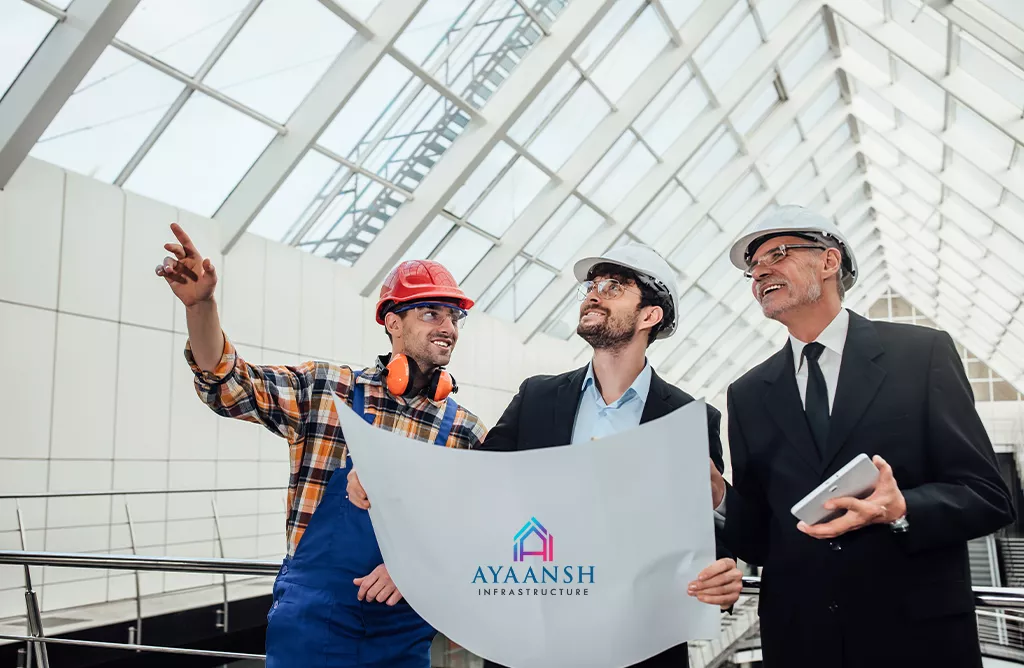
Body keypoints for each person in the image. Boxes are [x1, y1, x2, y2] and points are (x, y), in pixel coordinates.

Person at [155, 223, 487, 668]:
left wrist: (417, 571)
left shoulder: (463, 431)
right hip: (313, 625)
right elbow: (231, 387)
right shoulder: (326, 392)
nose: (447, 327)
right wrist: (202, 306)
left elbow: (480, 530)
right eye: (431, 313)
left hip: (403, 631)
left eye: (453, 317)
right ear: (392, 322)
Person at [714, 205, 1015, 668]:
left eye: (777, 254)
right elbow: (759, 541)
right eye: (753, 267)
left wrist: (902, 509)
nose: (760, 272)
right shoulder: (748, 393)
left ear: (830, 261)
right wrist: (719, 497)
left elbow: (988, 495)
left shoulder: (922, 355)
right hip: (801, 644)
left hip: (917, 642)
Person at [475, 243, 743, 668]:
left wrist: (723, 570)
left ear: (649, 316)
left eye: (614, 286)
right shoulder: (537, 397)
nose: (593, 294)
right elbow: (475, 482)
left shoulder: (689, 418)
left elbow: (706, 531)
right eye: (592, 285)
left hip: (639, 645)